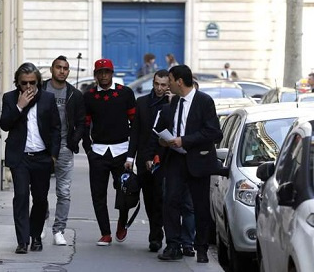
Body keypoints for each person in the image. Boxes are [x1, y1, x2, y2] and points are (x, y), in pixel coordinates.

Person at [154, 64, 222, 263]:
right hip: (175, 159)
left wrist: (185, 140)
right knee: (170, 201)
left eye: (171, 81)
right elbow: (168, 127)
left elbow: (214, 133)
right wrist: (164, 140)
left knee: (199, 207)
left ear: (179, 81)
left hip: (198, 160)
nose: (168, 85)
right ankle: (173, 245)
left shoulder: (204, 101)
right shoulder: (174, 102)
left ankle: (200, 249)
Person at [0, 62, 61, 254]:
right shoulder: (10, 98)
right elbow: (4, 125)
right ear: (18, 83)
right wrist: (19, 106)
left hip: (42, 157)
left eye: (32, 83)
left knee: (41, 199)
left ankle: (36, 236)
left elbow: (56, 128)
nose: (28, 87)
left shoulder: (48, 99)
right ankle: (22, 241)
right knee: (21, 197)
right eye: (24, 83)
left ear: (38, 82)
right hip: (20, 158)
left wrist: (53, 156)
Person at [82, 58, 136, 246]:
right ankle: (105, 233)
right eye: (100, 72)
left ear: (112, 74)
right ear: (95, 75)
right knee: (98, 194)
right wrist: (88, 149)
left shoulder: (125, 93)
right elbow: (85, 124)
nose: (104, 76)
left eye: (107, 72)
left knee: (125, 192)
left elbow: (134, 122)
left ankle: (122, 222)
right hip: (98, 151)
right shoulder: (88, 96)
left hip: (121, 150)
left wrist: (131, 152)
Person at [124, 69, 178, 253]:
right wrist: (130, 157)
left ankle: (159, 235)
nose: (160, 88)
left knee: (162, 198)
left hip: (164, 159)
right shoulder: (142, 102)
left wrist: (171, 104)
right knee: (149, 199)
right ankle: (155, 233)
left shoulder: (173, 104)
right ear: (153, 83)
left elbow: (175, 130)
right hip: (143, 160)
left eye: (164, 85)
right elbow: (136, 132)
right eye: (157, 84)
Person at [42, 55, 85, 246]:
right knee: (40, 190)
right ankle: (41, 225)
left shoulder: (74, 94)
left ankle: (59, 230)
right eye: (58, 67)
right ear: (52, 69)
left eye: (65, 68)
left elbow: (82, 122)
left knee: (64, 192)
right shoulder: (41, 89)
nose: (62, 71)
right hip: (42, 148)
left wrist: (72, 142)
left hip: (65, 148)